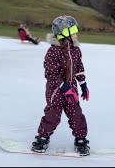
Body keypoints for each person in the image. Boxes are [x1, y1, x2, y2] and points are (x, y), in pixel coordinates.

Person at [31, 15, 90, 156]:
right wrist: (64, 88)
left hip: (72, 90)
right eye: (73, 30)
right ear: (64, 33)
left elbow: (79, 67)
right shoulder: (53, 52)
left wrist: (83, 84)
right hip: (56, 91)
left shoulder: (75, 50)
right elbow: (51, 74)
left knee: (76, 115)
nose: (76, 33)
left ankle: (80, 140)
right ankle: (42, 138)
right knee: (52, 116)